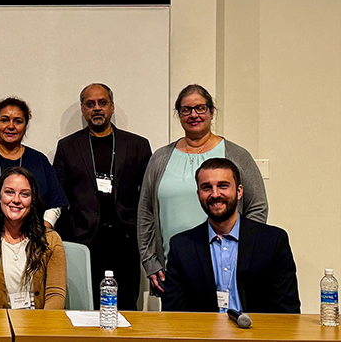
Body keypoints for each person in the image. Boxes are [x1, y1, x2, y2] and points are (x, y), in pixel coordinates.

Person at [138, 84, 268, 296]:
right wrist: (150, 262)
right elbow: (145, 215)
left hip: (229, 267)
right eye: (186, 109)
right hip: (174, 271)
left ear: (211, 112)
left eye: (200, 108)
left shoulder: (236, 155)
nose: (193, 115)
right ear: (178, 114)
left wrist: (244, 252)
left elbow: (258, 207)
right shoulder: (160, 159)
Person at [53, 83, 152, 310]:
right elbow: (59, 195)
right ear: (83, 110)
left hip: (125, 241)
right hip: (83, 241)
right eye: (90, 104)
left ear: (112, 107)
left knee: (126, 309)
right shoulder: (68, 147)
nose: (97, 108)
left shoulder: (137, 145)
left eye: (102, 103)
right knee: (82, 308)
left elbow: (146, 196)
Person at [163, 158, 300, 313]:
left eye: (223, 186)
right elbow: (172, 314)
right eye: (206, 188)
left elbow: (289, 311)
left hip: (257, 334)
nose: (215, 194)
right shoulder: (182, 246)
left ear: (239, 191)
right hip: (203, 335)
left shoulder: (272, 241)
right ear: (198, 194)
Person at [0, 97, 68, 233]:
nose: (11, 126)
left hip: (33, 244)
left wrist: (43, 230)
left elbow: (56, 203)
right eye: (4, 120)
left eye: (18, 121)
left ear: (26, 127)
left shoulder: (39, 161)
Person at [0, 167, 66, 309]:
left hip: (41, 323)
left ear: (32, 201)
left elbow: (55, 294)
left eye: (24, 194)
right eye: (9, 192)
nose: (16, 200)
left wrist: (42, 328)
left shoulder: (51, 240)